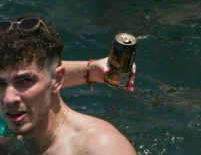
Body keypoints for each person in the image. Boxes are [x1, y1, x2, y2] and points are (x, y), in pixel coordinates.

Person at [0, 16, 135, 154]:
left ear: (58, 79)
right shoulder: (13, 138)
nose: (8, 99)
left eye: (25, 81)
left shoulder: (100, 147)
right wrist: (90, 70)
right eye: (0, 83)